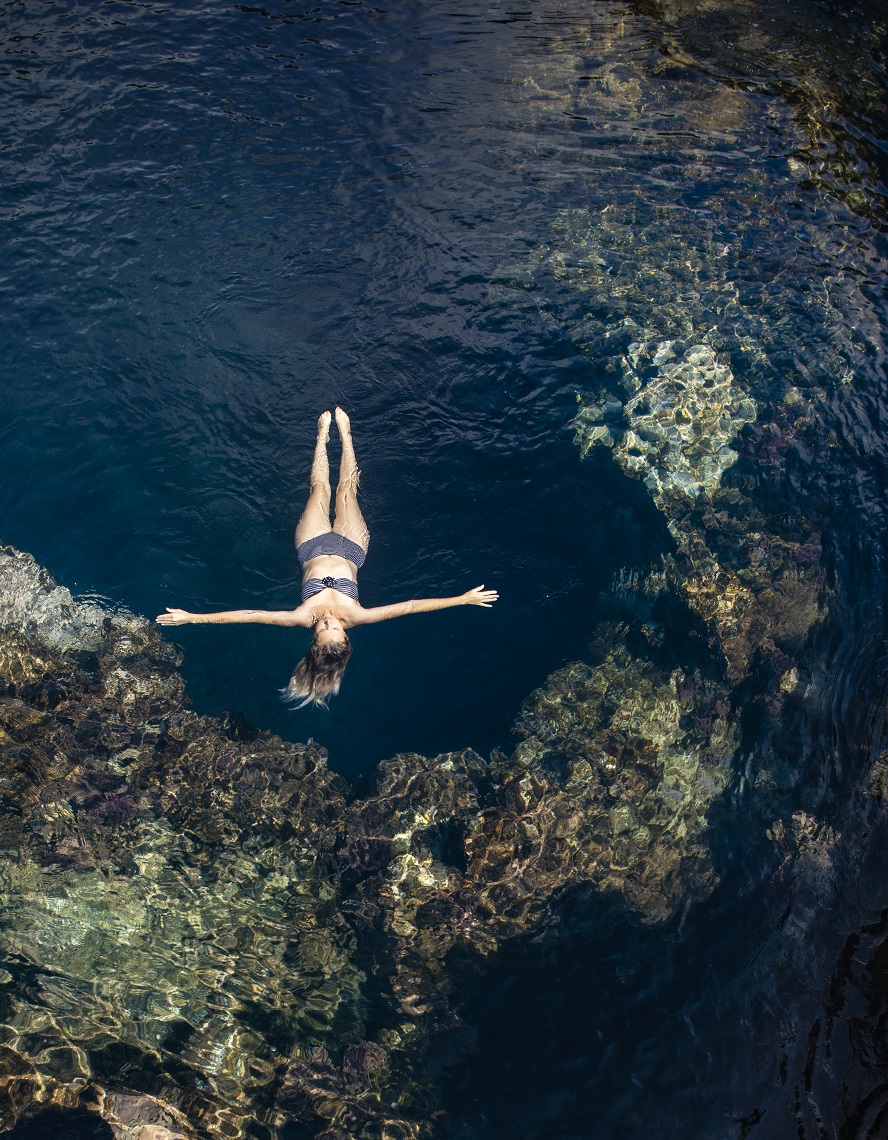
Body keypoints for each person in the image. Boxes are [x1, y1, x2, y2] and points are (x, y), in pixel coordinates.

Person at [156, 408, 499, 706]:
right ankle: (347, 438)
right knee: (346, 490)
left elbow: (249, 615)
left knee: (320, 490)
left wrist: (193, 618)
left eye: (321, 628)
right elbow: (410, 606)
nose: (327, 621)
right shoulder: (359, 615)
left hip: (312, 546)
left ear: (313, 637)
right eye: (333, 627)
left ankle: (321, 438)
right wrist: (462, 599)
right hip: (352, 547)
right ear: (346, 636)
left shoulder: (300, 616)